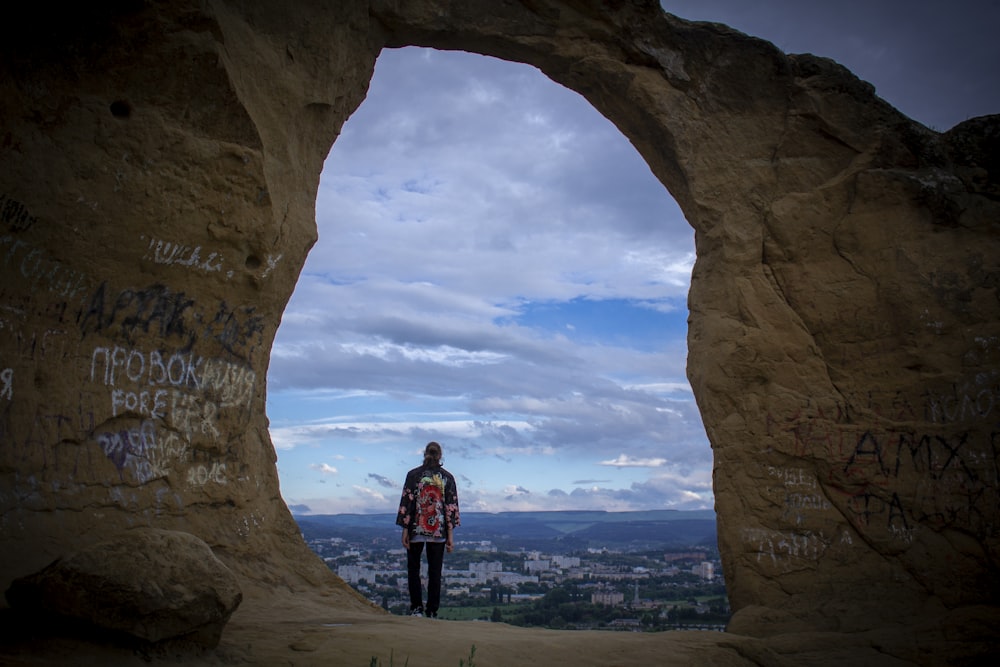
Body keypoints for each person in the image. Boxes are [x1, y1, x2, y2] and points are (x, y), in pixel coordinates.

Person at [396, 441, 460, 618]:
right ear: (440, 455)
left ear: (425, 454)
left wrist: (405, 530)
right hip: (438, 531)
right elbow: (450, 508)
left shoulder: (413, 475)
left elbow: (406, 504)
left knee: (413, 570)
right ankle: (432, 611)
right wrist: (450, 536)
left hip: (416, 529)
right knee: (435, 572)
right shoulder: (448, 478)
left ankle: (416, 608)